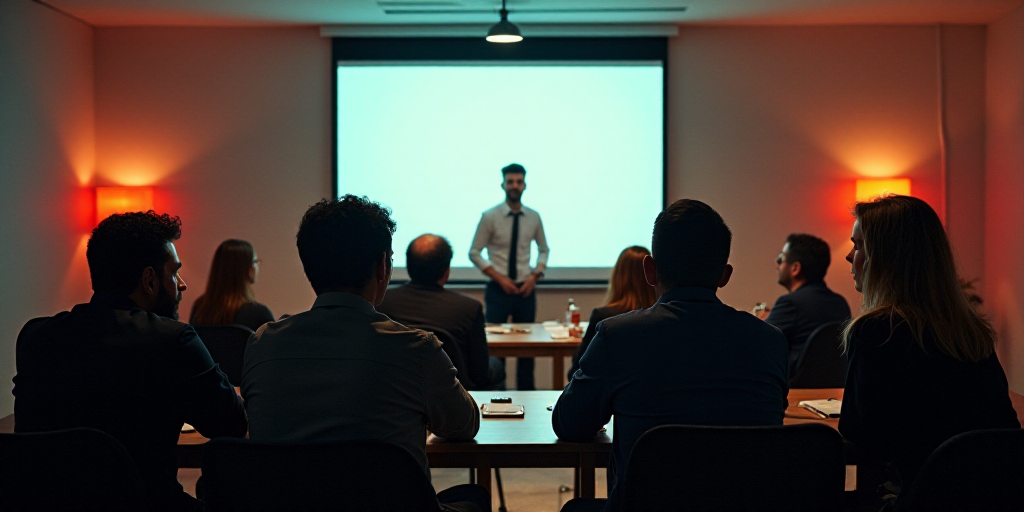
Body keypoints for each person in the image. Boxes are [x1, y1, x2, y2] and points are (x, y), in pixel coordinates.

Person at [242, 196, 488, 512]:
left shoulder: (263, 344)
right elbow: (463, 424)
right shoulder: (416, 349)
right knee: (474, 498)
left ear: (308, 267)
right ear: (383, 266)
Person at [553, 199, 789, 512]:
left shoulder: (617, 336)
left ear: (650, 270)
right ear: (725, 275)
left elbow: (570, 424)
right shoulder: (770, 341)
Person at [13, 211, 247, 512]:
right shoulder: (173, 340)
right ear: (149, 280)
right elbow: (231, 425)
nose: (182, 284)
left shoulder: (35, 337)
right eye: (174, 273)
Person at [838, 195, 1020, 509]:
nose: (850, 257)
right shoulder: (970, 332)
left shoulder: (876, 331)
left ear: (886, 257)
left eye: (858, 245)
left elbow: (859, 443)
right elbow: (1004, 433)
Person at [378, 234, 505, 390]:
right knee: (496, 365)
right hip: (452, 401)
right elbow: (480, 375)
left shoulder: (382, 302)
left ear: (408, 266)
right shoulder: (468, 308)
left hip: (395, 393)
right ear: (447, 271)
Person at [469, 163, 549, 390]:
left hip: (526, 289)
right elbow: (474, 251)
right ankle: (498, 401)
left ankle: (528, 401)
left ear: (525, 184)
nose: (515, 186)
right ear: (503, 184)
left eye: (519, 181)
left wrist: (534, 276)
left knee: (527, 352)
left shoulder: (534, 217)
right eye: (510, 181)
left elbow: (544, 248)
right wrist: (499, 278)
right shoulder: (490, 216)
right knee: (496, 351)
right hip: (498, 290)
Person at [759, 233, 851, 377]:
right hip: (834, 390)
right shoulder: (840, 303)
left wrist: (761, 322)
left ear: (795, 268)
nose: (778, 266)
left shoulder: (789, 303)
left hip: (794, 391)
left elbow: (760, 345)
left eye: (781, 259)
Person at [567, 246, 658, 382]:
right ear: (652, 273)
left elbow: (577, 371)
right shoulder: (664, 316)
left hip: (609, 400)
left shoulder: (603, 317)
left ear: (618, 277)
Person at [190, 239, 274, 331]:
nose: (257, 266)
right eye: (255, 262)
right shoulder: (260, 314)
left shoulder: (198, 309)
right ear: (249, 269)